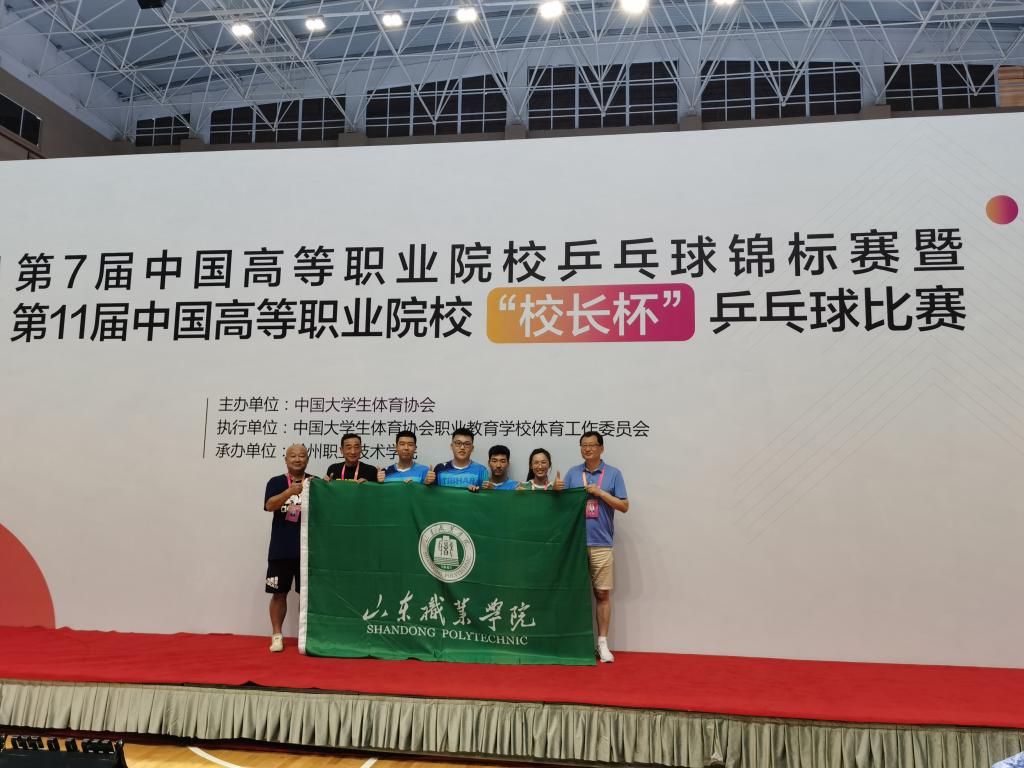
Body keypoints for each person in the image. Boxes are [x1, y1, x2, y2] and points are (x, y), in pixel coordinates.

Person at [564, 431, 628, 663]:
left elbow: (624, 506)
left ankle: (602, 643)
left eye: (592, 445)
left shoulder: (613, 474)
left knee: (602, 593)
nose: (588, 449)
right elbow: (562, 506)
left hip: (601, 543)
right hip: (575, 544)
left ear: (601, 448)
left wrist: (600, 493)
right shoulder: (573, 473)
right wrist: (559, 490)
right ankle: (576, 642)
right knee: (574, 594)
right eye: (584, 445)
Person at [263, 443, 313, 653]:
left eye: (302, 455)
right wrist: (289, 492)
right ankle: (277, 635)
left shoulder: (314, 482)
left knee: (307, 596)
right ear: (286, 459)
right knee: (278, 594)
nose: (298, 459)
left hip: (309, 550)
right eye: (293, 456)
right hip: (281, 549)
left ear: (307, 459)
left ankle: (305, 636)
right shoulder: (275, 482)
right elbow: (269, 505)